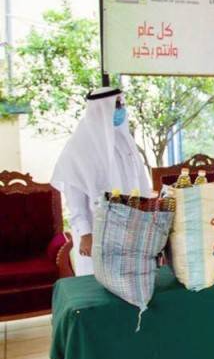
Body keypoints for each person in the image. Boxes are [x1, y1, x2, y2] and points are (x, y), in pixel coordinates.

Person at [51, 87, 151, 276]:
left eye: (121, 104)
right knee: (100, 284)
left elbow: (139, 183)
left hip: (131, 228)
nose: (121, 110)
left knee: (131, 280)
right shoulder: (78, 148)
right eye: (116, 105)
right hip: (98, 233)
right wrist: (86, 235)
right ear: (100, 109)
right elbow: (75, 199)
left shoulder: (124, 141)